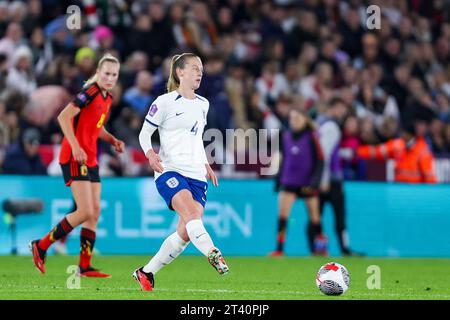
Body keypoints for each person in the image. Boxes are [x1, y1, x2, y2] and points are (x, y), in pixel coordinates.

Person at [133, 52, 229, 292]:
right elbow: (144, 134)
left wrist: (205, 164)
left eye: (201, 69)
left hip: (196, 173)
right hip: (170, 170)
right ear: (180, 72)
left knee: (185, 232)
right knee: (191, 216)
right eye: (195, 68)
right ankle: (212, 252)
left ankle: (146, 273)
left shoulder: (203, 104)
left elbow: (196, 139)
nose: (200, 72)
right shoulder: (163, 102)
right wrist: (150, 154)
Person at [29, 53, 125, 277]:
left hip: (90, 157)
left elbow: (95, 127)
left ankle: (84, 266)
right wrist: (75, 147)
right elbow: (64, 117)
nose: (110, 78)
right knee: (84, 211)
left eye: (114, 74)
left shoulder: (107, 97)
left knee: (94, 212)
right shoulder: (89, 93)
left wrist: (112, 140)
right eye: (106, 73)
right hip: (75, 156)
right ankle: (41, 245)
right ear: (98, 73)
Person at [269, 108, 325, 257]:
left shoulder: (312, 137)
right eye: (292, 118)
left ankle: (321, 248)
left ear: (305, 120)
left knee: (315, 218)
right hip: (289, 182)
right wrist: (278, 180)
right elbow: (283, 160)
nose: (294, 121)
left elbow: (320, 160)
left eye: (297, 118)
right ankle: (279, 249)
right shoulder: (286, 137)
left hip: (307, 183)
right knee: (282, 217)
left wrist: (315, 181)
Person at [317, 97, 362, 256]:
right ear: (334, 107)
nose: (343, 112)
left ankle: (319, 248)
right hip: (330, 180)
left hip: (327, 178)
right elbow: (325, 154)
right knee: (337, 216)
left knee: (318, 216)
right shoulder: (331, 126)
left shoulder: (323, 124)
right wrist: (323, 179)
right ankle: (342, 249)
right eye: (341, 108)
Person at [357, 122, 437, 183]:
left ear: (409, 135)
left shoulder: (422, 150)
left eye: (403, 133)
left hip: (415, 191)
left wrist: (431, 194)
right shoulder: (397, 145)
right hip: (399, 188)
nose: (401, 135)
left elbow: (429, 176)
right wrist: (357, 152)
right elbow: (377, 151)